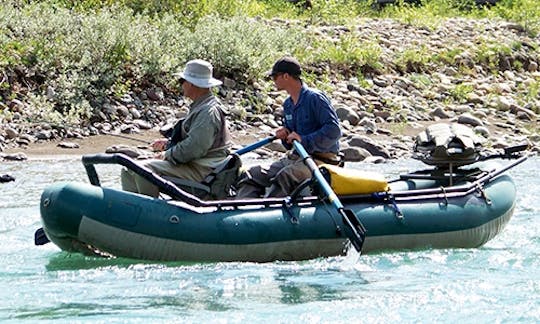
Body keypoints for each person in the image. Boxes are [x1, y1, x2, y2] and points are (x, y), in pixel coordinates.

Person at [121, 59, 232, 197]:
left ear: (192, 83)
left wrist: (167, 155)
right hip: (195, 163)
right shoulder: (202, 106)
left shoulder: (207, 112)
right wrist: (168, 145)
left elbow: (195, 147)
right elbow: (196, 141)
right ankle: (130, 208)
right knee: (128, 169)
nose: (181, 85)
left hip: (202, 169)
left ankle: (150, 212)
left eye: (182, 81)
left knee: (143, 169)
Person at [236, 56, 342, 198]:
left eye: (274, 77)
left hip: (320, 161)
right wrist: (285, 136)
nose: (273, 81)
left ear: (286, 76)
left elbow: (334, 130)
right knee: (252, 174)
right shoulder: (288, 105)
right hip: (296, 157)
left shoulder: (315, 98)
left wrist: (303, 139)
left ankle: (271, 211)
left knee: (285, 175)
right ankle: (243, 210)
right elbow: (289, 145)